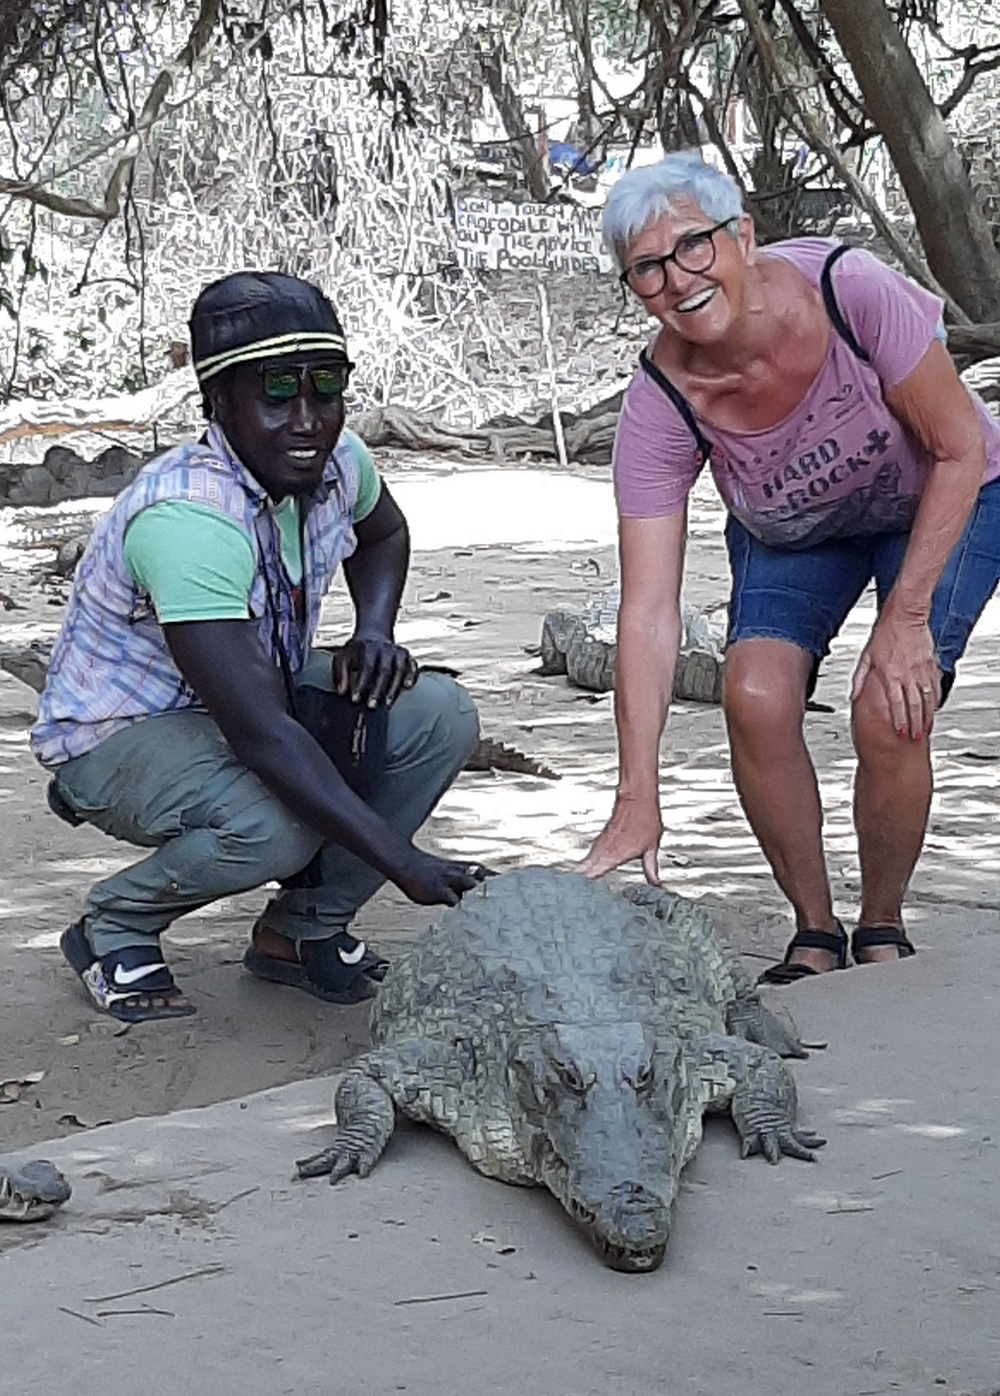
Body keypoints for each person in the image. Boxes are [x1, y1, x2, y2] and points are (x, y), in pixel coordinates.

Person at [580, 151, 1000, 984]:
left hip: (945, 492)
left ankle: (882, 922)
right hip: (797, 527)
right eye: (647, 269)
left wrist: (906, 619)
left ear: (742, 236)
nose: (677, 280)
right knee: (755, 693)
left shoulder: (849, 289)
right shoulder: (661, 401)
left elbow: (958, 448)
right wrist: (637, 791)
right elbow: (649, 610)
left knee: (890, 702)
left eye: (693, 246)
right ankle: (814, 926)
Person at [31, 271, 485, 1022]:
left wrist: (374, 631)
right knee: (275, 824)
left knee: (438, 714)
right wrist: (403, 862)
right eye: (276, 394)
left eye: (326, 388)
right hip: (120, 733)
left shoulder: (339, 462)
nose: (307, 420)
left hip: (248, 690)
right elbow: (264, 735)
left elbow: (384, 533)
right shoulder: (188, 519)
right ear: (218, 402)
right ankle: (115, 923)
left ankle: (301, 932)